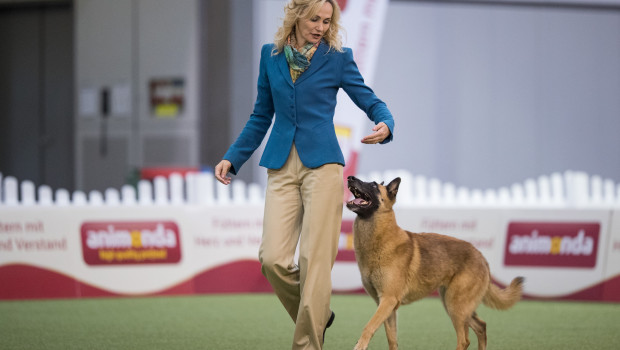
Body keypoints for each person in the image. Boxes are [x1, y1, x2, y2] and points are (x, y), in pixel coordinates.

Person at [214, 0, 394, 348]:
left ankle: (308, 343)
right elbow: (260, 116)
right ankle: (318, 313)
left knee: (314, 262)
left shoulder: (337, 57)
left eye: (327, 21)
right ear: (296, 15)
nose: (321, 26)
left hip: (324, 166)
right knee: (272, 260)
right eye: (314, 18)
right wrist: (233, 157)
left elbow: (369, 99)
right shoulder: (270, 55)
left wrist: (385, 121)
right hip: (281, 165)